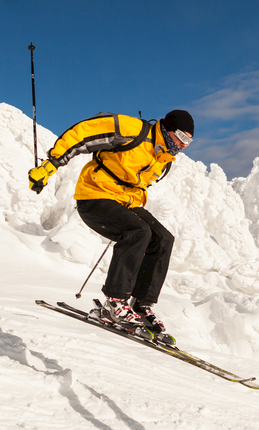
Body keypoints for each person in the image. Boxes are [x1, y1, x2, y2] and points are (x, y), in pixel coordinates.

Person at [28, 110, 194, 333]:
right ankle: (115, 303)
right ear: (167, 129)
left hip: (122, 202)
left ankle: (141, 305)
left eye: (189, 142)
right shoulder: (131, 130)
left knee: (163, 239)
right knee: (139, 232)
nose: (184, 145)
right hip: (94, 196)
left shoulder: (163, 158)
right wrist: (49, 166)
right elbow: (83, 133)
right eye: (182, 138)